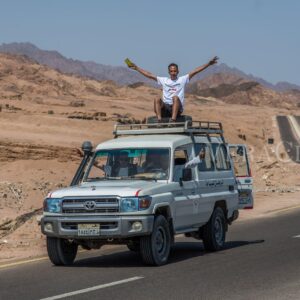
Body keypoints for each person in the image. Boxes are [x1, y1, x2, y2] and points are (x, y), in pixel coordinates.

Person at [126, 57, 219, 122]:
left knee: (175, 97)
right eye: (171, 71)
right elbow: (149, 75)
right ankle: (159, 120)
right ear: (169, 72)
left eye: (175, 71)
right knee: (157, 99)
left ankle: (173, 120)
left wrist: (208, 64)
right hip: (166, 108)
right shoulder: (164, 80)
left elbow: (195, 71)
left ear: (178, 71)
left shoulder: (182, 79)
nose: (173, 73)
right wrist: (137, 68)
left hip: (177, 109)